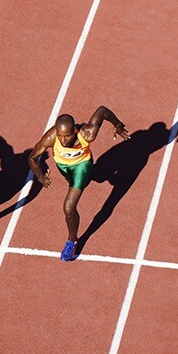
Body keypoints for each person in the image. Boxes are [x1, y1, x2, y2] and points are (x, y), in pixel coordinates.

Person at [28, 105, 130, 261]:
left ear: (75, 131)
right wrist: (41, 177)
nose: (62, 140)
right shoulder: (51, 138)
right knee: (95, 178)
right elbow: (32, 158)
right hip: (63, 167)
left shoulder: (87, 133)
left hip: (82, 166)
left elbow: (102, 111)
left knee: (69, 207)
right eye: (60, 136)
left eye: (67, 136)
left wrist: (117, 124)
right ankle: (84, 180)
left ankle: (72, 241)